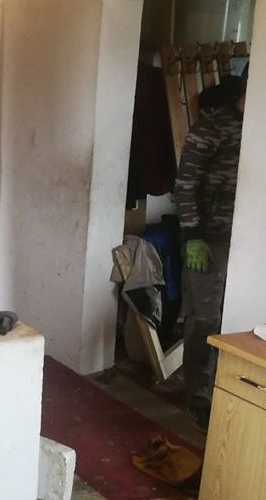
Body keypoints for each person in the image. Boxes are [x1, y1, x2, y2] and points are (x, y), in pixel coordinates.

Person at [175, 65, 247, 429]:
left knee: (242, 322)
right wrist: (192, 234)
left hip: (247, 241)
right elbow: (185, 183)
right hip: (209, 240)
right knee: (206, 320)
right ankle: (199, 399)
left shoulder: (258, 126)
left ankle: (232, 393)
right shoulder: (212, 126)